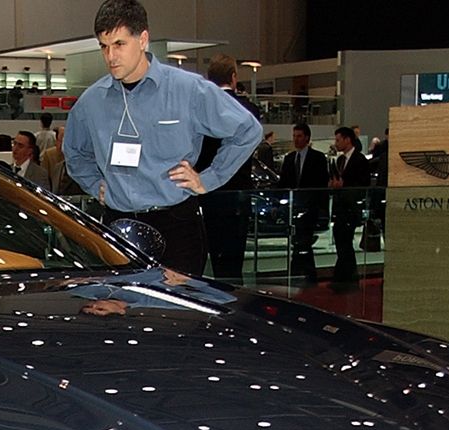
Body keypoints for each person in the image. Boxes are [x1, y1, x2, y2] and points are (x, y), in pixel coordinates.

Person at [62, 0, 262, 275]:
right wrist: (95, 184)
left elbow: (247, 130)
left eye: (119, 44)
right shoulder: (91, 101)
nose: (110, 56)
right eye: (104, 46)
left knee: (177, 304)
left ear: (143, 39)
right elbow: (74, 152)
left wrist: (208, 179)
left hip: (176, 226)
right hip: (116, 227)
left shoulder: (188, 89)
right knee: (119, 303)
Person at [197, 54, 259, 279]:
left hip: (207, 193)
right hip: (237, 196)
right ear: (234, 77)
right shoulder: (249, 109)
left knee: (213, 255)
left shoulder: (199, 108)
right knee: (234, 261)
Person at [277, 122, 328, 282]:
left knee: (304, 241)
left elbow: (320, 184)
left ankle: (303, 273)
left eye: (299, 136)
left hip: (309, 208)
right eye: (294, 136)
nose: (296, 139)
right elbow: (283, 183)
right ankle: (302, 273)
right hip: (293, 208)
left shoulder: (318, 158)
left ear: (307, 138)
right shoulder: (289, 158)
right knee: (299, 242)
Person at [328, 125, 370, 284]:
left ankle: (345, 278)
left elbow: (363, 184)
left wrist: (344, 186)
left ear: (347, 140)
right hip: (340, 208)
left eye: (338, 140)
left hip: (351, 208)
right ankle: (347, 277)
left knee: (345, 243)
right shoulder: (340, 160)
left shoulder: (360, 160)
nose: (336, 143)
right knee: (342, 242)